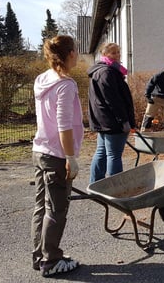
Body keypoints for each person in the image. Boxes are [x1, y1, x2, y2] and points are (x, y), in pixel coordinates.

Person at [31, 35, 83, 277]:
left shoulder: (42, 79)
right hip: (56, 155)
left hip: (40, 151)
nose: (78, 55)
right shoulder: (65, 84)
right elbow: (64, 125)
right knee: (56, 210)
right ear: (70, 54)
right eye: (76, 51)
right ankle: (51, 261)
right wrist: (70, 157)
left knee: (41, 207)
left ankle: (40, 256)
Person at [87, 43, 136, 183]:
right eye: (113, 53)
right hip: (112, 122)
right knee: (113, 155)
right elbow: (113, 101)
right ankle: (115, 188)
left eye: (118, 52)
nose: (117, 55)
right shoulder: (106, 72)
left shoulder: (103, 71)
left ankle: (95, 185)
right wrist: (124, 121)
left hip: (104, 120)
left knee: (102, 152)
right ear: (104, 54)